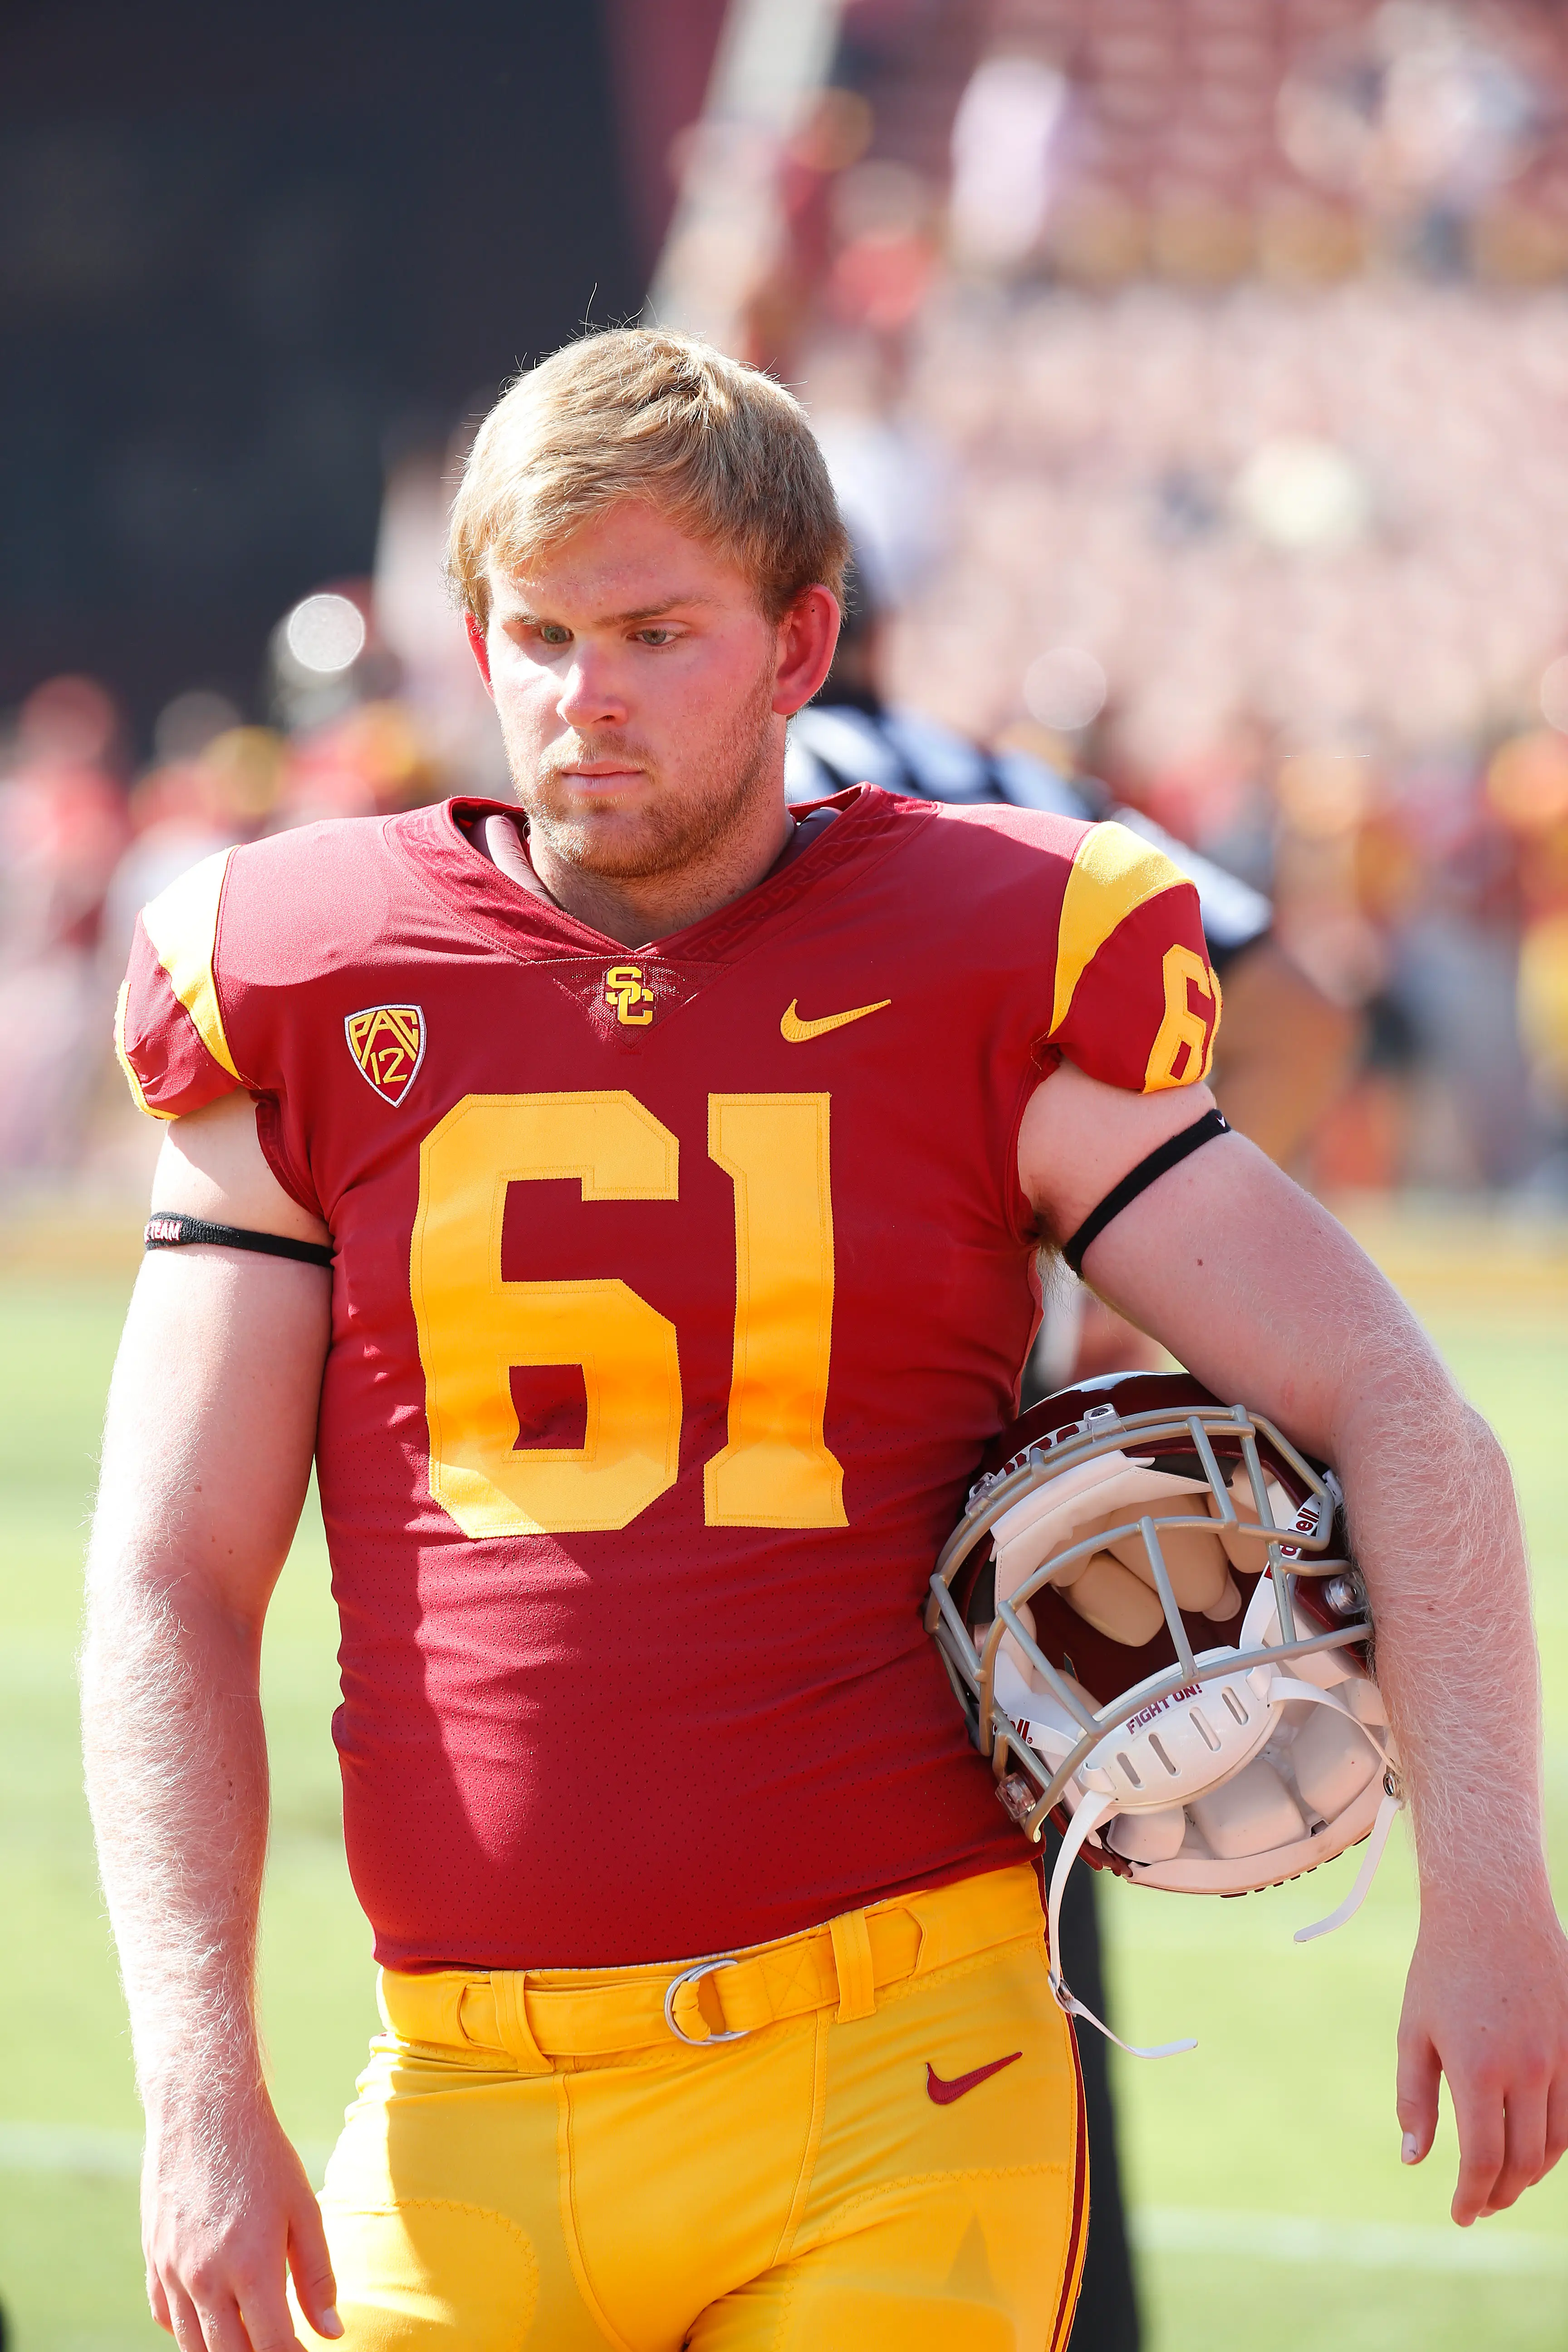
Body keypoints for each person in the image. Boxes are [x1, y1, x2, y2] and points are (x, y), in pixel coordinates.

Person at [83, 328, 1567, 2352]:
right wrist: (194, 2077)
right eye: (535, 631)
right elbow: (172, 1573)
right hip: (463, 2087)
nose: (580, 698)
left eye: (654, 633)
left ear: (800, 647)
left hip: (903, 2074)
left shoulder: (991, 948)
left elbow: (1405, 1409)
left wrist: (1490, 1897)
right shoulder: (308, 971)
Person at [791, 555, 1359, 2350]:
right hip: (997, 1480)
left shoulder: (694, 793)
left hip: (718, 1492)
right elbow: (1304, 1004)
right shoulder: (1008, 790)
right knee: (1017, 1991)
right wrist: (1112, 1249)